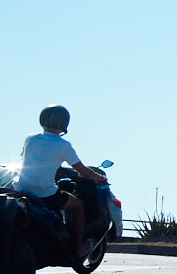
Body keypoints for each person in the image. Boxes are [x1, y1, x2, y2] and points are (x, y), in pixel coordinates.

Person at [13, 106, 108, 260]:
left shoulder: (30, 138)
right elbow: (82, 170)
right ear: (64, 123)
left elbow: (31, 159)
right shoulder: (63, 145)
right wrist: (99, 177)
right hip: (44, 193)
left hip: (21, 188)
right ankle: (79, 246)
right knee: (78, 205)